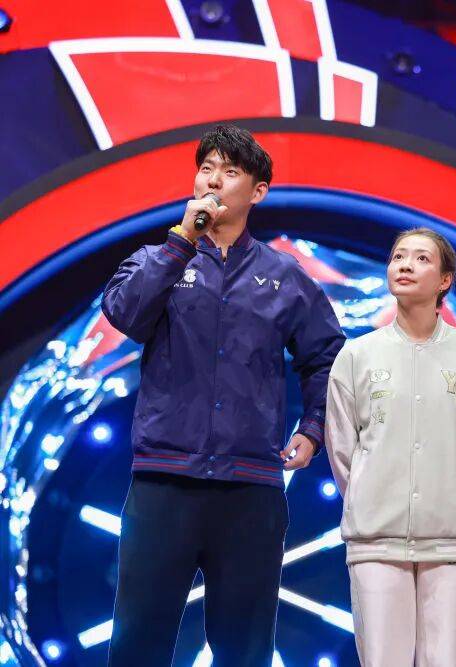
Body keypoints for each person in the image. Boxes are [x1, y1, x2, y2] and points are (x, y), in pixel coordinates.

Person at [101, 124, 345, 666]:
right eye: (206, 169)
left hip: (250, 489)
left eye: (230, 172)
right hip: (164, 483)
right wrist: (179, 245)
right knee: (137, 643)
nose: (213, 181)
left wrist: (312, 429)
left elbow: (328, 356)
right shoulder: (158, 257)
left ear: (258, 191)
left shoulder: (285, 276)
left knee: (245, 649)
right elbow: (125, 316)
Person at [325, 227, 456, 666]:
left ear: (445, 280)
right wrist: (371, 496)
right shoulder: (357, 355)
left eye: (422, 258)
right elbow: (342, 447)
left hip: (453, 540)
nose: (405, 265)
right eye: (398, 256)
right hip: (376, 540)